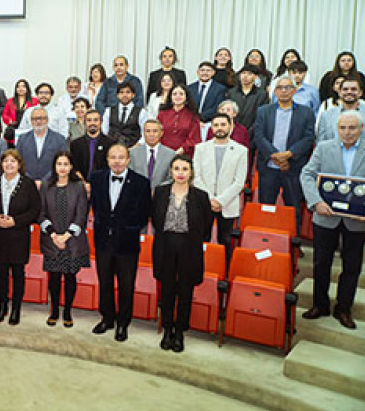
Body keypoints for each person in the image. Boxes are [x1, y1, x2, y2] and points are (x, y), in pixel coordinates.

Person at [300, 111, 365, 330]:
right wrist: (316, 202)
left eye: (352, 128)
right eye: (343, 128)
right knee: (321, 263)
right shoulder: (323, 148)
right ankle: (320, 305)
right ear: (337, 129)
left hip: (358, 221)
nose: (347, 133)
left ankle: (343, 309)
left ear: (361, 129)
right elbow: (307, 175)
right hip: (325, 216)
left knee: (352, 266)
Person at [90, 143, 152, 342]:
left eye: (121, 157)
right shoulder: (97, 179)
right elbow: (96, 207)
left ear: (128, 160)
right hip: (103, 242)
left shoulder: (141, 183)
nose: (117, 161)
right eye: (113, 157)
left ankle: (123, 323)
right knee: (105, 283)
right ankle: (107, 318)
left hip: (127, 244)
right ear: (107, 160)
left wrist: (129, 229)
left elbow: (144, 214)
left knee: (126, 286)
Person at [152, 154, 213, 353]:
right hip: (166, 246)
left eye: (184, 169)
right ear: (171, 171)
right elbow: (155, 219)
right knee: (168, 291)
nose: (180, 173)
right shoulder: (160, 192)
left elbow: (206, 226)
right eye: (177, 169)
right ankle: (167, 330)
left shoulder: (201, 196)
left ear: (191, 172)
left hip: (189, 248)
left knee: (186, 292)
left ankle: (180, 332)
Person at [254, 76, 316, 230]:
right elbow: (259, 136)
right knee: (266, 207)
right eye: (280, 88)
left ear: (294, 91)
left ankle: (293, 245)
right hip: (268, 168)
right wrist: (275, 155)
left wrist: (288, 155)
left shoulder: (306, 113)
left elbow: (308, 138)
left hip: (293, 168)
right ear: (274, 91)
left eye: (287, 87)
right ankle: (265, 238)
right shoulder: (263, 111)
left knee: (293, 208)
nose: (283, 91)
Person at [0, 149, 41, 325]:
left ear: (19, 165)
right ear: (1, 164)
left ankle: (16, 309)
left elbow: (35, 210)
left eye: (13, 161)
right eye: (6, 161)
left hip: (19, 235)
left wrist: (15, 221)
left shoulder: (28, 184)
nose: (9, 164)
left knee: (18, 274)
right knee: (1, 273)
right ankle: (2, 306)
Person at [38, 151, 89, 327]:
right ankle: (54, 311)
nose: (62, 168)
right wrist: (53, 235)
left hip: (71, 241)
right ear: (54, 166)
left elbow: (81, 215)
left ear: (71, 166)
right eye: (59, 164)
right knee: (53, 278)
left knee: (69, 277)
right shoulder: (46, 186)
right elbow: (41, 213)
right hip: (51, 240)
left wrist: (66, 236)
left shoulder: (78, 187)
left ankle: (67, 311)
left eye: (66, 164)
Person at [193, 113, 248, 259]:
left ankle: (225, 272)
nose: (220, 128)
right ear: (211, 128)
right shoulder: (200, 148)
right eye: (216, 125)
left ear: (230, 127)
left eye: (223, 125)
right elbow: (196, 177)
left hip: (228, 204)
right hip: (204, 203)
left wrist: (220, 201)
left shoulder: (241, 151)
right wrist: (210, 199)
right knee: (200, 240)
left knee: (226, 241)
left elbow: (239, 182)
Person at [16, 107, 68, 187]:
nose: (38, 121)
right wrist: (30, 181)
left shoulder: (59, 139)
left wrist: (44, 181)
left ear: (47, 120)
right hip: (27, 184)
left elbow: (63, 163)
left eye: (41, 118)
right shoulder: (22, 139)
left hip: (52, 184)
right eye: (35, 119)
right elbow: (17, 162)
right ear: (31, 121)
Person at [226, 64, 269, 146]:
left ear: (255, 77)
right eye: (243, 73)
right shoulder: (231, 92)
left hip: (252, 135)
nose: (245, 76)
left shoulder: (261, 94)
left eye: (249, 74)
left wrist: (249, 132)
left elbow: (261, 116)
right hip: (232, 132)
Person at [129, 119, 175, 192]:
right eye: (148, 131)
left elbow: (171, 178)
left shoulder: (170, 154)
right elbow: (130, 176)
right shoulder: (133, 153)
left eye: (155, 131)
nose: (151, 134)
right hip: (137, 194)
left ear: (161, 133)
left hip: (161, 196)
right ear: (143, 133)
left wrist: (157, 190)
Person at [69, 109, 113, 184]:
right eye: (89, 120)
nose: (92, 123)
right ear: (85, 123)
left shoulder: (110, 143)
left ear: (101, 122)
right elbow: (74, 167)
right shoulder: (75, 144)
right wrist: (83, 182)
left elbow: (110, 167)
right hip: (80, 184)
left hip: (104, 184)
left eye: (95, 120)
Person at [157, 84, 201, 157]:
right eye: (174, 94)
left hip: (185, 155)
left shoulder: (192, 115)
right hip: (163, 153)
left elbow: (194, 138)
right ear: (170, 97)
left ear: (186, 97)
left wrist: (180, 151)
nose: (178, 96)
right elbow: (157, 133)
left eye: (181, 94)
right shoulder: (162, 114)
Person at [101, 81, 149, 148]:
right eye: (121, 92)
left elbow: (145, 134)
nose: (124, 95)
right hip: (112, 149)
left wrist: (135, 147)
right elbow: (104, 131)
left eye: (128, 92)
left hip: (134, 149)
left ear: (133, 95)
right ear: (117, 95)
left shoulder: (141, 112)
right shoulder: (108, 111)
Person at [1, 78, 35, 145]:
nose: (21, 88)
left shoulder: (34, 101)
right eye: (18, 86)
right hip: (13, 129)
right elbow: (5, 114)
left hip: (28, 129)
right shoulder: (10, 101)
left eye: (23, 86)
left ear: (27, 88)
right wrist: (10, 121)